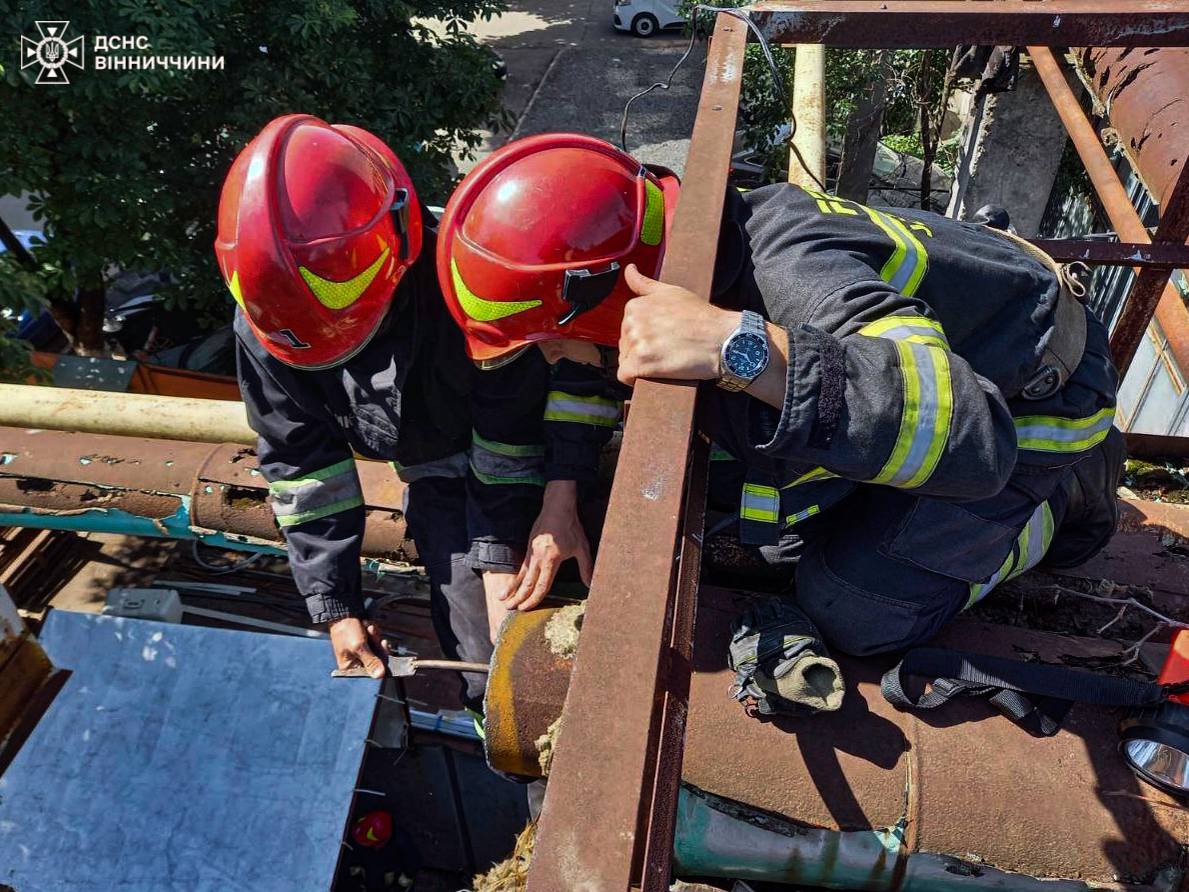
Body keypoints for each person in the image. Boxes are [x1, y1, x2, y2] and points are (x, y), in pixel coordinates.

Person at [435, 133, 1124, 658]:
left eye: (545, 340)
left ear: (611, 299)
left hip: (1030, 406)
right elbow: (588, 368)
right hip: (936, 367)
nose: (550, 356)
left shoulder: (783, 274)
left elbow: (975, 442)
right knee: (764, 532)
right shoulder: (667, 254)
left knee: (854, 608)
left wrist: (742, 349)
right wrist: (560, 501)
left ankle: (1053, 508)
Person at [214, 115, 551, 717]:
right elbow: (302, 467)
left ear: (395, 239)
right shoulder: (272, 316)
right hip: (437, 472)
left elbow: (512, 423)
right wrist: (336, 606)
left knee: (535, 640)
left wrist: (500, 554)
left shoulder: (467, 271)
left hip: (527, 450)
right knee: (490, 678)